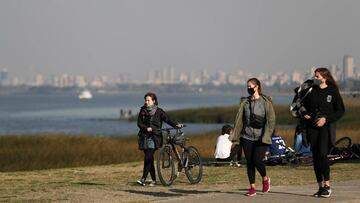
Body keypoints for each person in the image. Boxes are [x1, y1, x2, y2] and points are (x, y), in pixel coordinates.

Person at [302, 67, 345, 198]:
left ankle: (327, 186)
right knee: (315, 157)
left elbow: (340, 110)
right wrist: (304, 114)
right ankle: (320, 187)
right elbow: (302, 105)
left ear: (324, 78)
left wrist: (326, 119)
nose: (315, 78)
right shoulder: (311, 90)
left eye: (317, 76)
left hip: (325, 128)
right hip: (312, 128)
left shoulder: (332, 91)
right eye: (314, 76)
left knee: (322, 155)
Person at [230, 78, 276, 196]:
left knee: (257, 160)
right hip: (247, 136)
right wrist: (235, 134)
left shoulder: (266, 102)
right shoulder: (245, 102)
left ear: (257, 87)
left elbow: (271, 121)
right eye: (247, 87)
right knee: (249, 162)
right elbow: (240, 120)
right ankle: (252, 188)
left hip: (261, 137)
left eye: (250, 86)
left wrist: (267, 135)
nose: (248, 89)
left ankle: (265, 178)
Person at [136, 92, 183, 186]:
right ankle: (153, 180)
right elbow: (139, 123)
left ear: (153, 101)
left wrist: (175, 124)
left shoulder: (159, 111)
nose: (146, 102)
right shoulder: (142, 111)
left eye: (148, 100)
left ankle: (143, 179)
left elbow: (167, 119)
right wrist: (146, 128)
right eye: (145, 100)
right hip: (144, 137)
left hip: (155, 137)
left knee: (148, 157)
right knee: (149, 159)